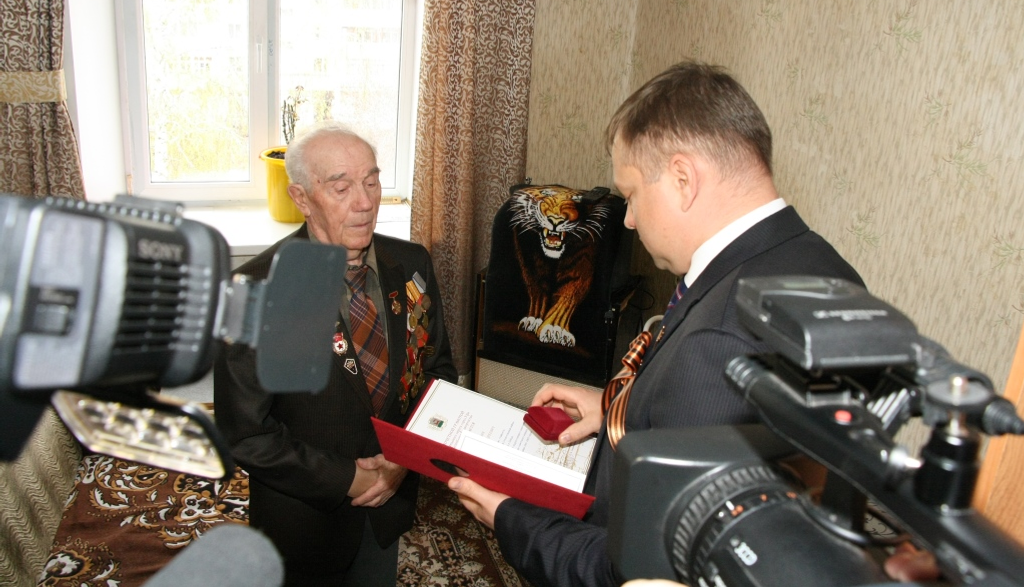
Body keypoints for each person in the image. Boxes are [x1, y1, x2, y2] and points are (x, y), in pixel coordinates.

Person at [448, 61, 867, 586]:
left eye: (631, 196)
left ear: (683, 179)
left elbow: (638, 568)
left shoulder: (720, 339)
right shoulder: (821, 265)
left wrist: (512, 518)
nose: (627, 219)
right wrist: (619, 409)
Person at [214, 123, 457, 586]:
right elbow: (244, 433)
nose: (364, 203)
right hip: (304, 520)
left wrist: (402, 459)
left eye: (372, 182)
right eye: (342, 188)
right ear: (302, 198)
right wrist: (347, 479)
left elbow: (437, 372)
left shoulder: (412, 265)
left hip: (389, 504)